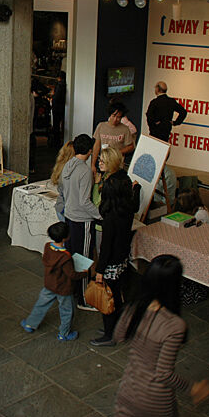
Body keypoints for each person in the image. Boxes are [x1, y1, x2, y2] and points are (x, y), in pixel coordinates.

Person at [108, 255, 209, 417]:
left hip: (129, 390)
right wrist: (193, 387)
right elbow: (163, 373)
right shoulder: (175, 325)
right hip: (156, 400)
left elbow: (118, 336)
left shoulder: (134, 308)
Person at [90, 147, 141, 346]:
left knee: (108, 299)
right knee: (118, 295)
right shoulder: (125, 201)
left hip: (111, 261)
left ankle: (110, 334)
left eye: (102, 161)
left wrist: (100, 270)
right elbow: (135, 205)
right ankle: (119, 329)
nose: (99, 163)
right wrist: (137, 190)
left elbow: (106, 247)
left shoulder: (110, 218)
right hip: (122, 257)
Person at [20, 222, 92, 341]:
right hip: (63, 288)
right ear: (66, 238)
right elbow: (72, 274)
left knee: (41, 304)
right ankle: (64, 334)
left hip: (49, 284)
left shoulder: (47, 246)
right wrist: (85, 273)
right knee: (66, 310)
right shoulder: (65, 257)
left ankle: (30, 324)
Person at [55, 134, 101, 311]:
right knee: (83, 260)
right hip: (82, 220)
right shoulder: (85, 171)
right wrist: (99, 215)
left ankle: (73, 292)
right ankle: (83, 299)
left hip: (69, 217)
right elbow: (84, 201)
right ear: (89, 151)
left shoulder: (68, 165)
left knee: (73, 258)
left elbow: (63, 189)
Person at [91, 99, 136, 175]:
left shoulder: (125, 129)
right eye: (114, 116)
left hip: (117, 165)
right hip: (103, 164)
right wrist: (93, 164)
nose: (115, 119)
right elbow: (97, 146)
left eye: (118, 117)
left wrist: (117, 152)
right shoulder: (101, 126)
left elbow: (131, 147)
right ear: (110, 115)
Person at [51, 71, 66, 146]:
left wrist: (52, 98)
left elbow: (56, 97)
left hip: (57, 108)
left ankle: (56, 141)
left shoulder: (59, 85)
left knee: (56, 125)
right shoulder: (64, 85)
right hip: (61, 108)